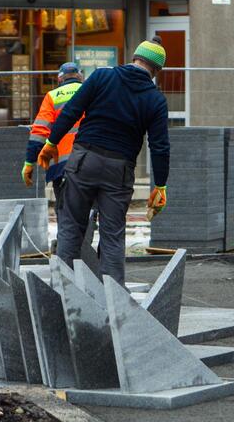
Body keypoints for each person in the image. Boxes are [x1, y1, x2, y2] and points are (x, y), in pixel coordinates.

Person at [40, 36, 170, 285]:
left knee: (71, 227)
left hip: (84, 160)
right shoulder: (155, 100)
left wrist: (51, 143)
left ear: (134, 59)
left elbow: (72, 111)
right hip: (119, 170)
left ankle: (61, 293)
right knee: (112, 236)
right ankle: (114, 303)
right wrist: (160, 185)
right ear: (155, 71)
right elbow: (160, 146)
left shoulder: (102, 77)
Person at [21, 62, 84, 213]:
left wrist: (29, 162)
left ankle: (66, 235)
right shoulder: (91, 91)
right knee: (89, 206)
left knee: (65, 209)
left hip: (62, 165)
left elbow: (39, 133)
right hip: (91, 159)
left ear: (60, 79)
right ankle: (89, 226)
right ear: (80, 76)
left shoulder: (52, 97)